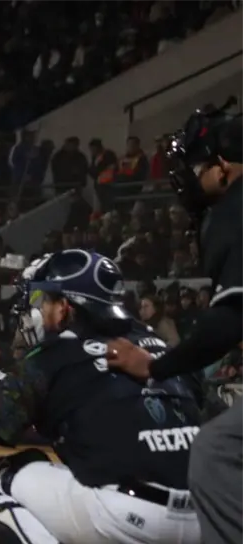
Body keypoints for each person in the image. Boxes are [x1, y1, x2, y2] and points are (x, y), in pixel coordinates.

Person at [0, 249, 202, 544]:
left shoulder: (52, 357)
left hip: (129, 516)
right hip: (208, 513)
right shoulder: (162, 347)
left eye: (43, 299)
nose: (35, 308)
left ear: (66, 307)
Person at [108, 103, 243, 543]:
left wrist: (155, 366)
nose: (185, 176)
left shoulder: (234, 209)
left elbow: (227, 324)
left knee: (217, 449)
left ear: (223, 168)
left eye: (196, 165)